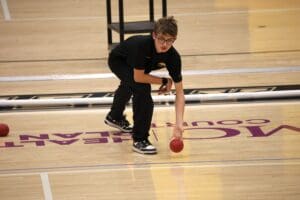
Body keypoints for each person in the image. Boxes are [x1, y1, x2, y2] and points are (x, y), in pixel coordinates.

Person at [104, 16, 185, 154]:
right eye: (161, 39)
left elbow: (180, 92)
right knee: (142, 88)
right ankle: (140, 140)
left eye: (169, 40)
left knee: (130, 84)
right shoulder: (142, 46)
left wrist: (179, 124)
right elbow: (139, 77)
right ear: (154, 35)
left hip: (139, 65)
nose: (164, 44)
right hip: (119, 60)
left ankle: (115, 116)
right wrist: (164, 81)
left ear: (174, 39)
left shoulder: (173, 58)